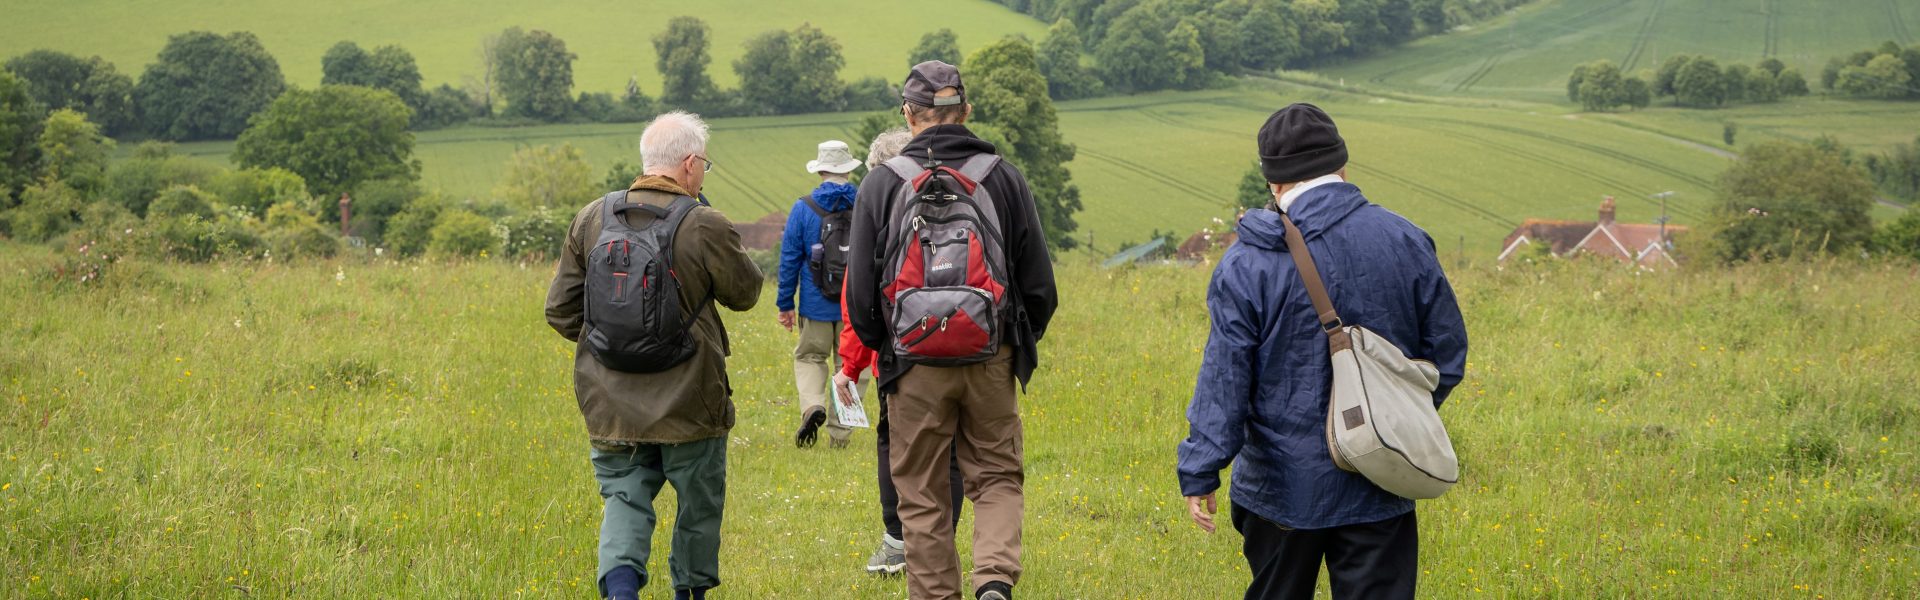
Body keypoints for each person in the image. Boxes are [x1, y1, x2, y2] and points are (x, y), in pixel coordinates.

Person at [1176, 103, 1469, 600]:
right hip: (1381, 476)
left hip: (1280, 488)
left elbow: (1226, 378)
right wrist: (1389, 420)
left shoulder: (1246, 262)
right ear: (1342, 167)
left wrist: (1201, 467)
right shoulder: (1405, 239)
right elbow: (1447, 355)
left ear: (1274, 183)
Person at [844, 61, 1059, 600]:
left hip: (912, 363)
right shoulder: (1003, 176)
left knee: (920, 493)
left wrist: (888, 348)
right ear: (965, 111)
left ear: (908, 115)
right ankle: (992, 581)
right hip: (991, 356)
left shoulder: (881, 183)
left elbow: (859, 295)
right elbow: (1040, 287)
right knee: (996, 476)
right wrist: (1009, 342)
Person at [545, 111, 763, 600]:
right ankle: (690, 593)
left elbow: (560, 312)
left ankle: (621, 593)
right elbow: (745, 293)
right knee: (698, 505)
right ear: (689, 164)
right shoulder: (705, 223)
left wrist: (611, 343)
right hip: (690, 399)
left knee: (623, 499)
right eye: (704, 163)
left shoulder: (591, 217)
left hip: (610, 400)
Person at [834, 128, 965, 577]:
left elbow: (856, 306)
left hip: (901, 358)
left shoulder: (877, 223)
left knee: (895, 448)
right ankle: (941, 540)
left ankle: (897, 543)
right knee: (949, 450)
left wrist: (850, 367)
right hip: (963, 349)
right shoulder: (959, 208)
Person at [779, 140, 863, 448]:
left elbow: (789, 259)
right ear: (848, 168)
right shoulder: (865, 203)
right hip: (854, 306)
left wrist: (785, 304)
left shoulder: (804, 208)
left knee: (811, 357)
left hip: (815, 305)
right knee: (851, 365)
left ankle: (813, 405)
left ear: (821, 170)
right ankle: (840, 435)